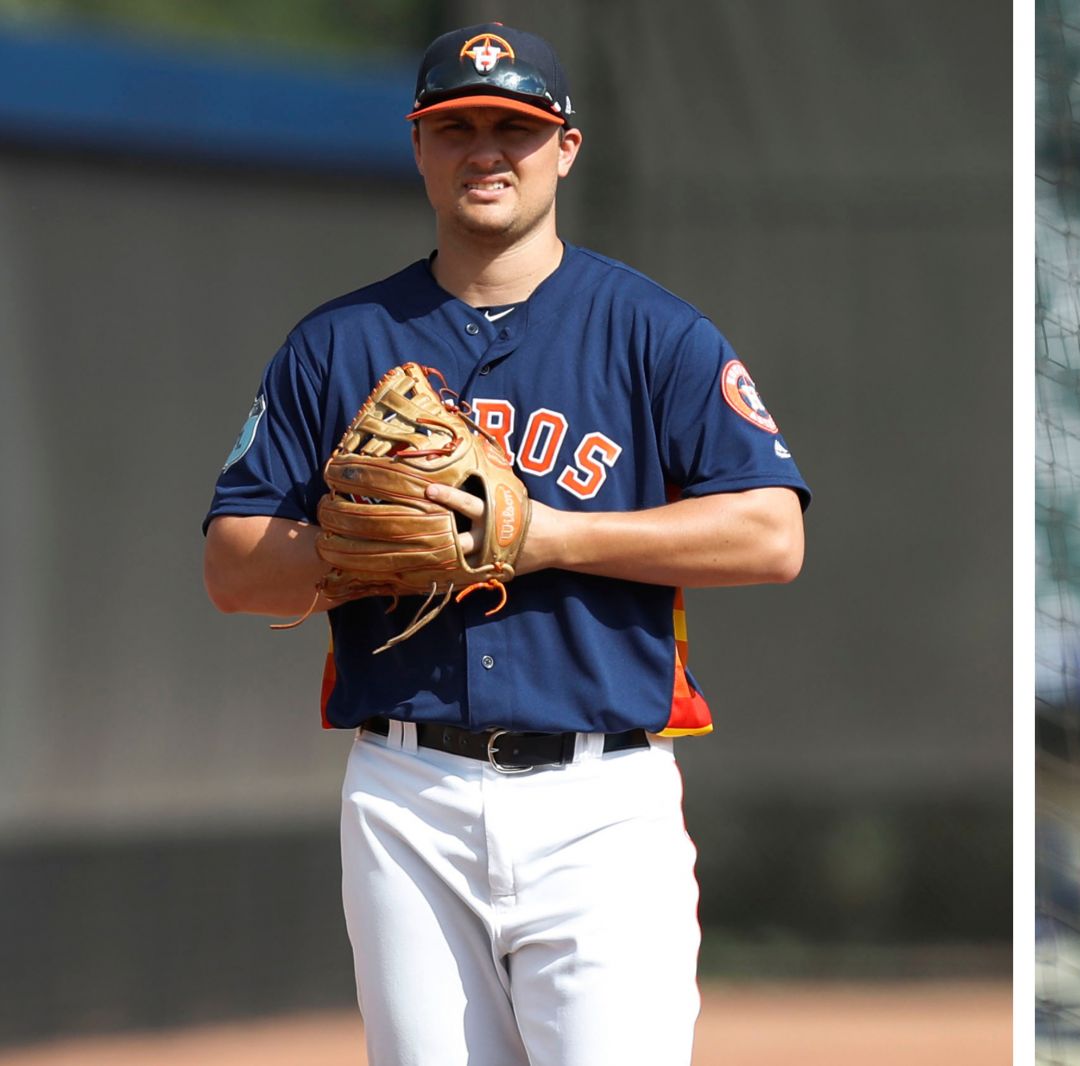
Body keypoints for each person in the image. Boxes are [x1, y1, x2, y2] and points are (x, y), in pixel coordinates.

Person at [202, 22, 808, 1066]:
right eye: (458, 127)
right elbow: (233, 564)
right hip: (408, 795)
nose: (486, 150)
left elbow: (770, 531)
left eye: (514, 129)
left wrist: (547, 534)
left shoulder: (651, 331)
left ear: (565, 148)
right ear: (420, 147)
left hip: (599, 802)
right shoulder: (338, 343)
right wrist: (366, 549)